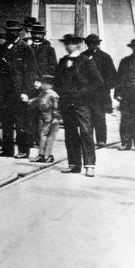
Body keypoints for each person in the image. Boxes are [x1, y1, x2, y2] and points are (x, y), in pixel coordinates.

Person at [55, 34, 103, 176]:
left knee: (86, 132)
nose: (67, 46)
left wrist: (83, 93)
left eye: (69, 43)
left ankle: (89, 165)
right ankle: (74, 164)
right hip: (66, 103)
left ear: (77, 45)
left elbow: (98, 82)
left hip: (82, 103)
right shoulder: (63, 61)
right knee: (70, 133)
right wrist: (61, 94)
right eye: (66, 44)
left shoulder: (85, 61)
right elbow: (57, 81)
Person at [0, 19, 39, 158]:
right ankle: (7, 150)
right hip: (5, 90)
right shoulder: (3, 47)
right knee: (6, 120)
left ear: (18, 32)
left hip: (19, 90)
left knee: (21, 121)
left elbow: (31, 72)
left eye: (13, 31)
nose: (10, 33)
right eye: (8, 31)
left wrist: (26, 92)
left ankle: (23, 151)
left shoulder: (25, 48)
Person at [83, 34, 116, 147]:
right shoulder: (83, 56)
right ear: (86, 44)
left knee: (99, 117)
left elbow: (112, 76)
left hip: (100, 93)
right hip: (86, 92)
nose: (91, 45)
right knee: (87, 118)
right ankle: (88, 140)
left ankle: (101, 140)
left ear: (98, 44)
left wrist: (105, 87)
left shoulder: (105, 57)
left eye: (94, 43)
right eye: (89, 43)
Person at [24, 74, 60, 163]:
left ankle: (46, 155)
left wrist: (55, 118)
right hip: (44, 117)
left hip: (51, 119)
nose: (41, 85)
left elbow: (56, 107)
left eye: (43, 83)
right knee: (43, 135)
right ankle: (44, 155)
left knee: (48, 136)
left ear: (48, 84)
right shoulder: (43, 94)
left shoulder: (53, 95)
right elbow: (36, 101)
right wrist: (27, 101)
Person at [115, 39, 135, 150]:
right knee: (126, 119)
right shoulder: (125, 61)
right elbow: (119, 78)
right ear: (131, 48)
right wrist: (117, 93)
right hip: (127, 94)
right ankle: (126, 143)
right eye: (134, 47)